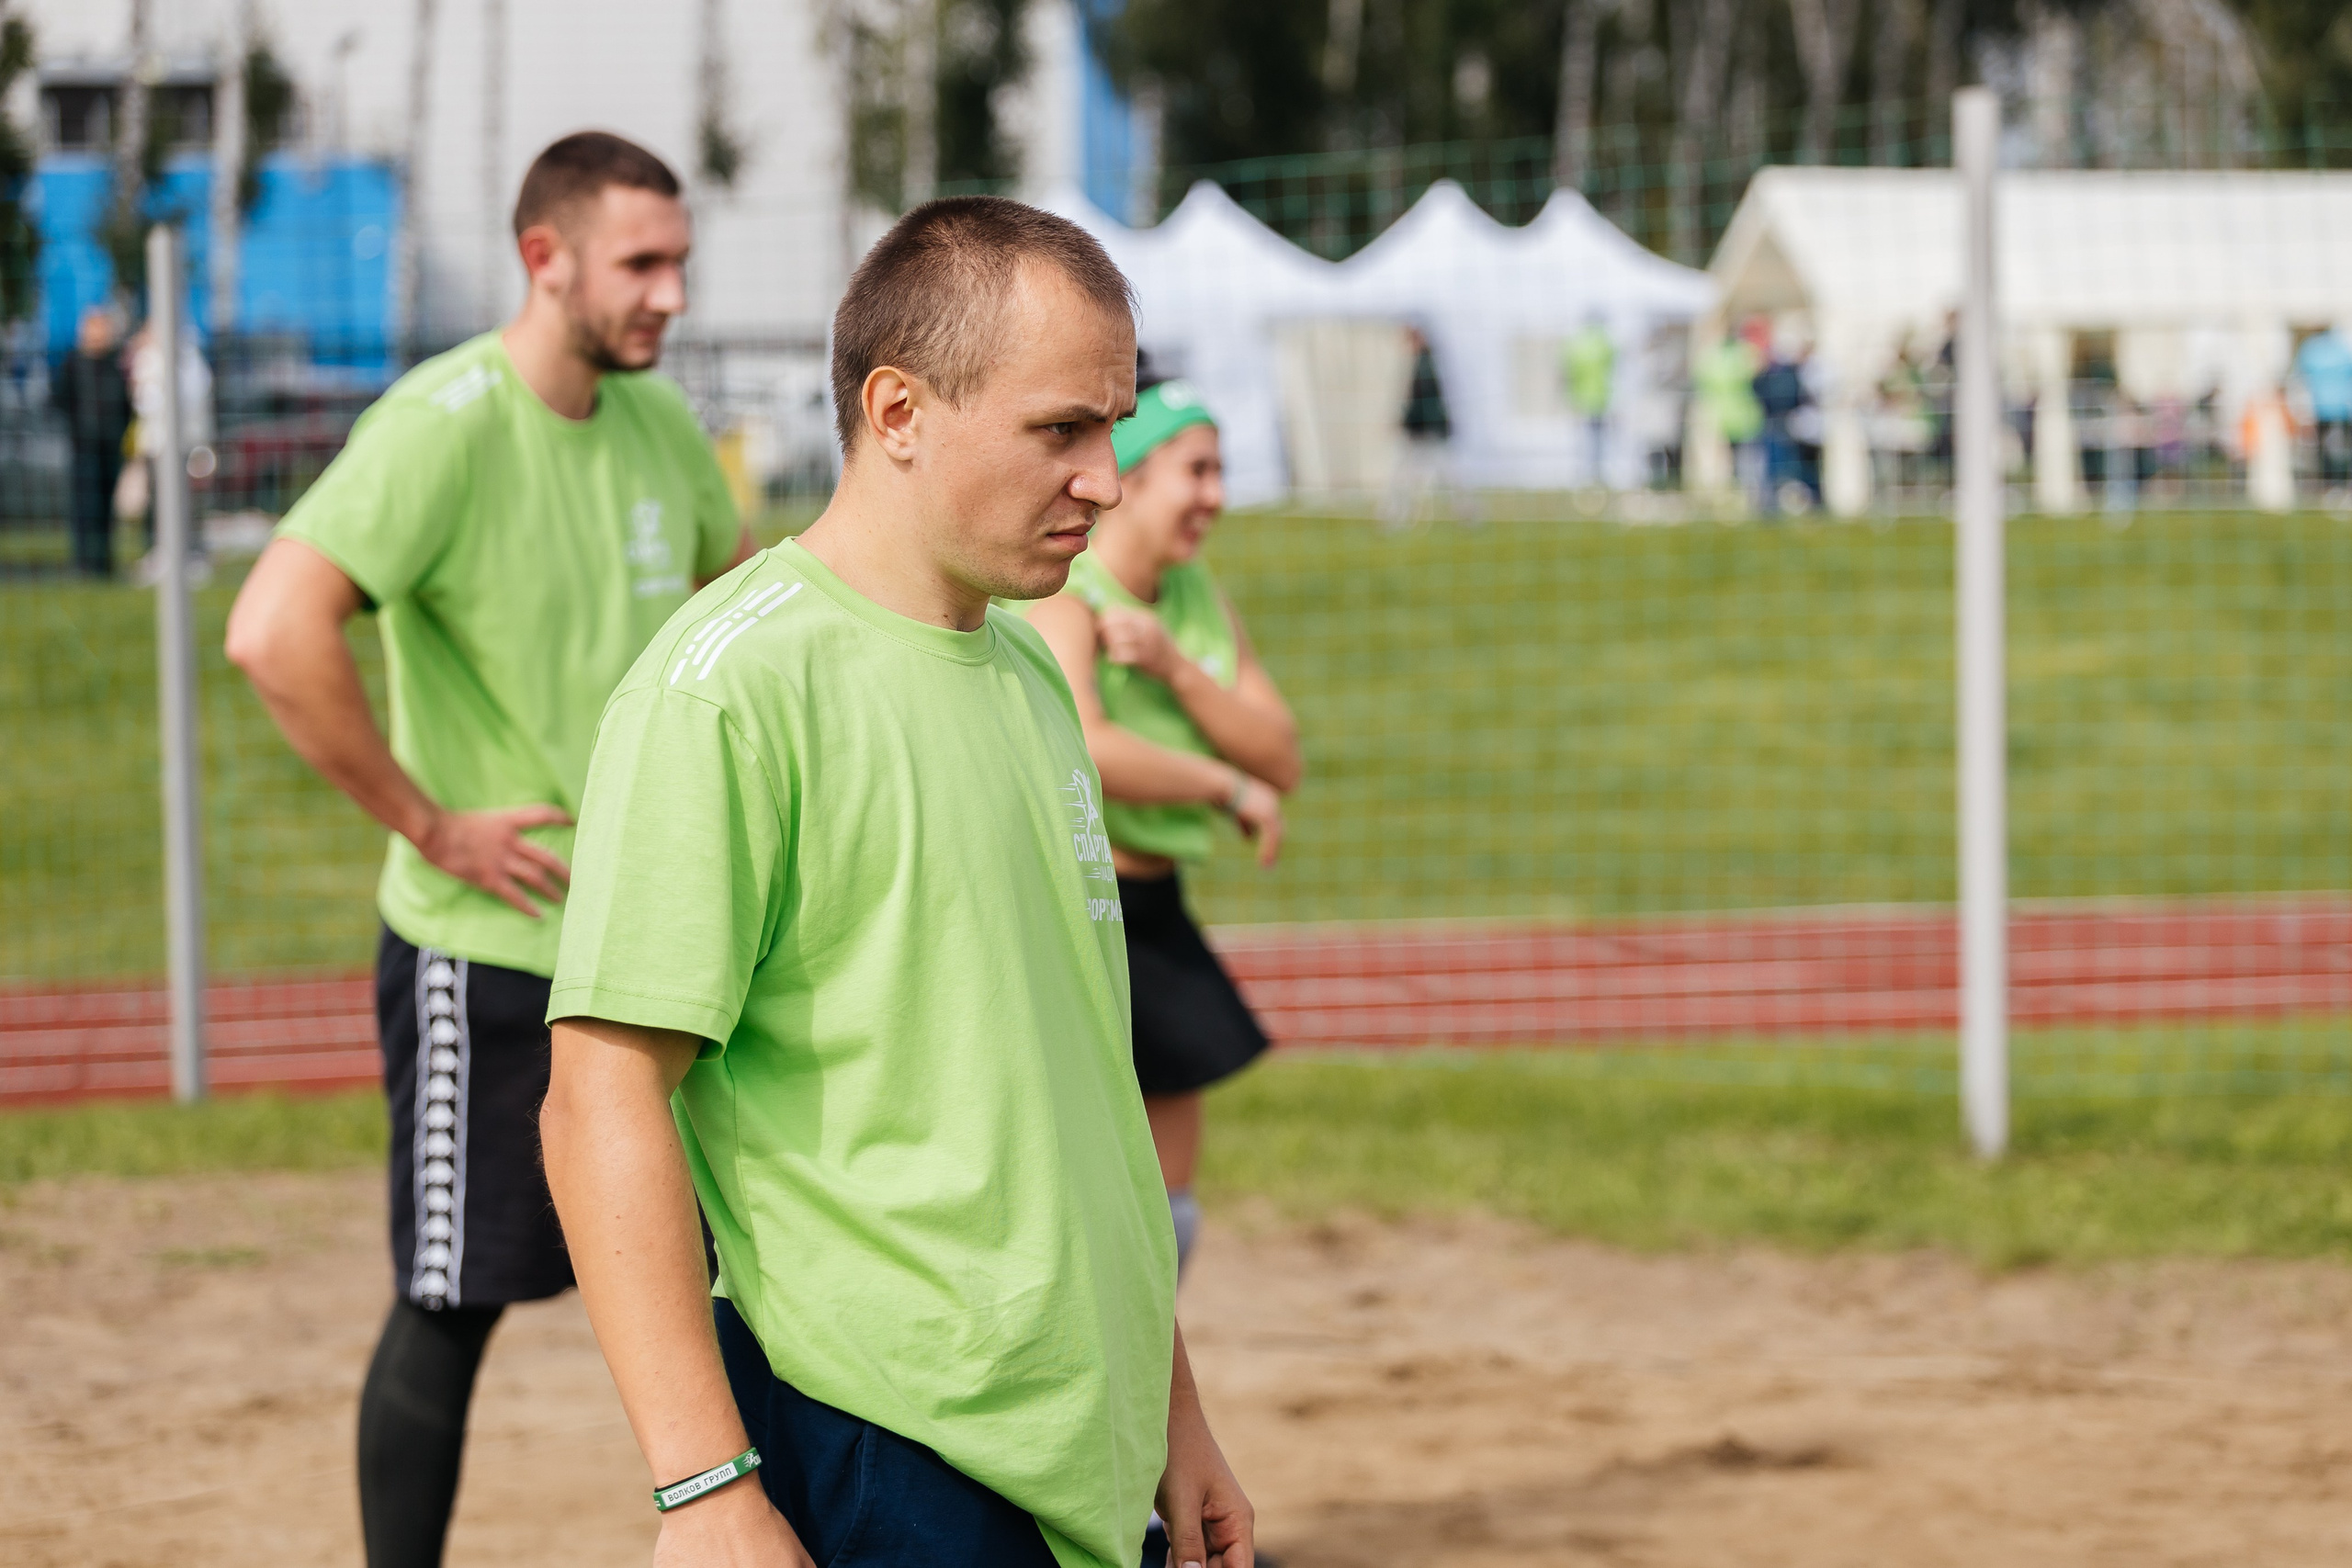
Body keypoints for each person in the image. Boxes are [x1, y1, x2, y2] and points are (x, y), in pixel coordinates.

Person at [538, 196, 1255, 1568]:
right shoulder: (728, 689)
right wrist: (703, 1488)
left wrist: (1174, 1411)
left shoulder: (1033, 672)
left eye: (1114, 426)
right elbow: (599, 1096)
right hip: (883, 1441)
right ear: (899, 409)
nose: (1106, 476)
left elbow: (1079, 1090)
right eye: (1062, 429)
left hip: (1085, 1449)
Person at [223, 130, 754, 1568]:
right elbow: (271, 631)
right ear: (546, 258)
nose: (671, 295)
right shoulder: (440, 422)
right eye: (642, 263)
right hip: (492, 949)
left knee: (748, 1287)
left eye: (680, 262)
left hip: (663, 942)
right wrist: (432, 821)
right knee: (452, 1297)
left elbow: (734, 618)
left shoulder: (656, 427)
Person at [1022, 374, 1298, 1285]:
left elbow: (1281, 758)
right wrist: (1223, 786)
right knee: (1056, 1192)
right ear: (1131, 480)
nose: (1216, 496)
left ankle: (1136, 1396)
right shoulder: (1066, 589)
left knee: (1169, 1215)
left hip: (1155, 904)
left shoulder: (1189, 596)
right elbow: (1084, 748)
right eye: (1198, 471)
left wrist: (1178, 669)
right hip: (1068, 904)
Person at [126, 316, 216, 584]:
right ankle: (164, 552)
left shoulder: (185, 358)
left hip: (182, 442)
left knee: (186, 501)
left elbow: (188, 397)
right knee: (160, 500)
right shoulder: (152, 358)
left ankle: (191, 554)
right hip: (158, 442)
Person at [53, 304, 131, 578]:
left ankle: (104, 563)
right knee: (85, 506)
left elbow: (126, 404)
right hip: (84, 446)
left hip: (110, 446)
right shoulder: (73, 363)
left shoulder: (115, 363)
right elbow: (60, 400)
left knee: (106, 507)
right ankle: (84, 563)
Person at [2293, 325, 2352, 496]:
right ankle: (2336, 486)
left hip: (2325, 409)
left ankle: (2332, 487)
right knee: (2340, 450)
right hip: (2338, 408)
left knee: (2327, 451)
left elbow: (2299, 377)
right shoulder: (2341, 348)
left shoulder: (2311, 349)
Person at [1562, 315, 1615, 486]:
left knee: (1585, 441)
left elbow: (1568, 374)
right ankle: (1595, 476)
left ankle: (1586, 476)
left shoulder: (1577, 344)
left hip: (1583, 400)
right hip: (1600, 400)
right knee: (1598, 441)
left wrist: (1570, 398)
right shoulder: (1605, 343)